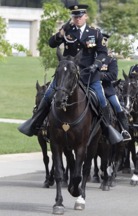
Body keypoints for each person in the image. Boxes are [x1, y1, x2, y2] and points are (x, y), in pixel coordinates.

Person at [18, 4, 121, 144]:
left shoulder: (95, 33)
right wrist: (60, 34)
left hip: (88, 74)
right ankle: (35, 123)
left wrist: (96, 65)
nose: (77, 19)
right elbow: (51, 44)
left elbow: (103, 52)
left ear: (86, 16)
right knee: (47, 95)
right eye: (75, 16)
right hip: (67, 74)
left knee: (102, 100)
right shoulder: (67, 31)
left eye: (80, 16)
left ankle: (107, 129)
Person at [98, 33, 131, 141]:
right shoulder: (90, 58)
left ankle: (124, 130)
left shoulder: (111, 60)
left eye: (104, 42)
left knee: (117, 106)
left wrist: (100, 75)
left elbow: (113, 75)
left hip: (107, 89)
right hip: (93, 88)